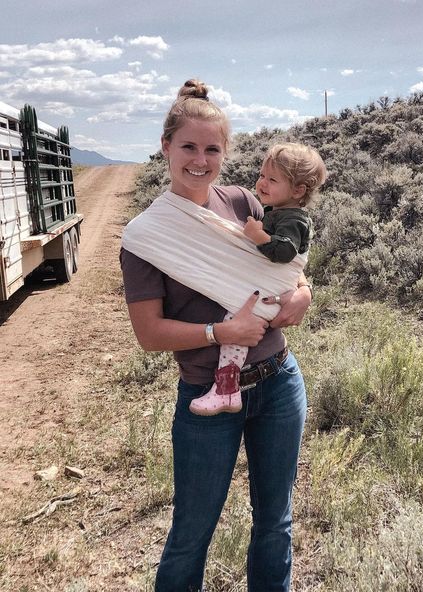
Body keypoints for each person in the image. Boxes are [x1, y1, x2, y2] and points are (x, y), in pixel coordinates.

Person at [120, 79, 313, 592]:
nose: (200, 159)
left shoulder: (245, 202)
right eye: (188, 146)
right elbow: (150, 333)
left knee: (276, 522)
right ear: (165, 147)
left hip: (278, 383)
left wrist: (304, 294)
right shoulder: (145, 236)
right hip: (208, 395)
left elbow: (287, 266)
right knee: (192, 532)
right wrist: (220, 331)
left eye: (212, 148)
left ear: (225, 153)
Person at [189, 142, 326, 416]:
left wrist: (258, 236)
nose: (262, 183)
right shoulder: (279, 212)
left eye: (272, 179)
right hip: (271, 290)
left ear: (298, 190)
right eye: (262, 175)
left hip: (272, 294)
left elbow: (285, 252)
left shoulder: (294, 220)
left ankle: (226, 390)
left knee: (235, 326)